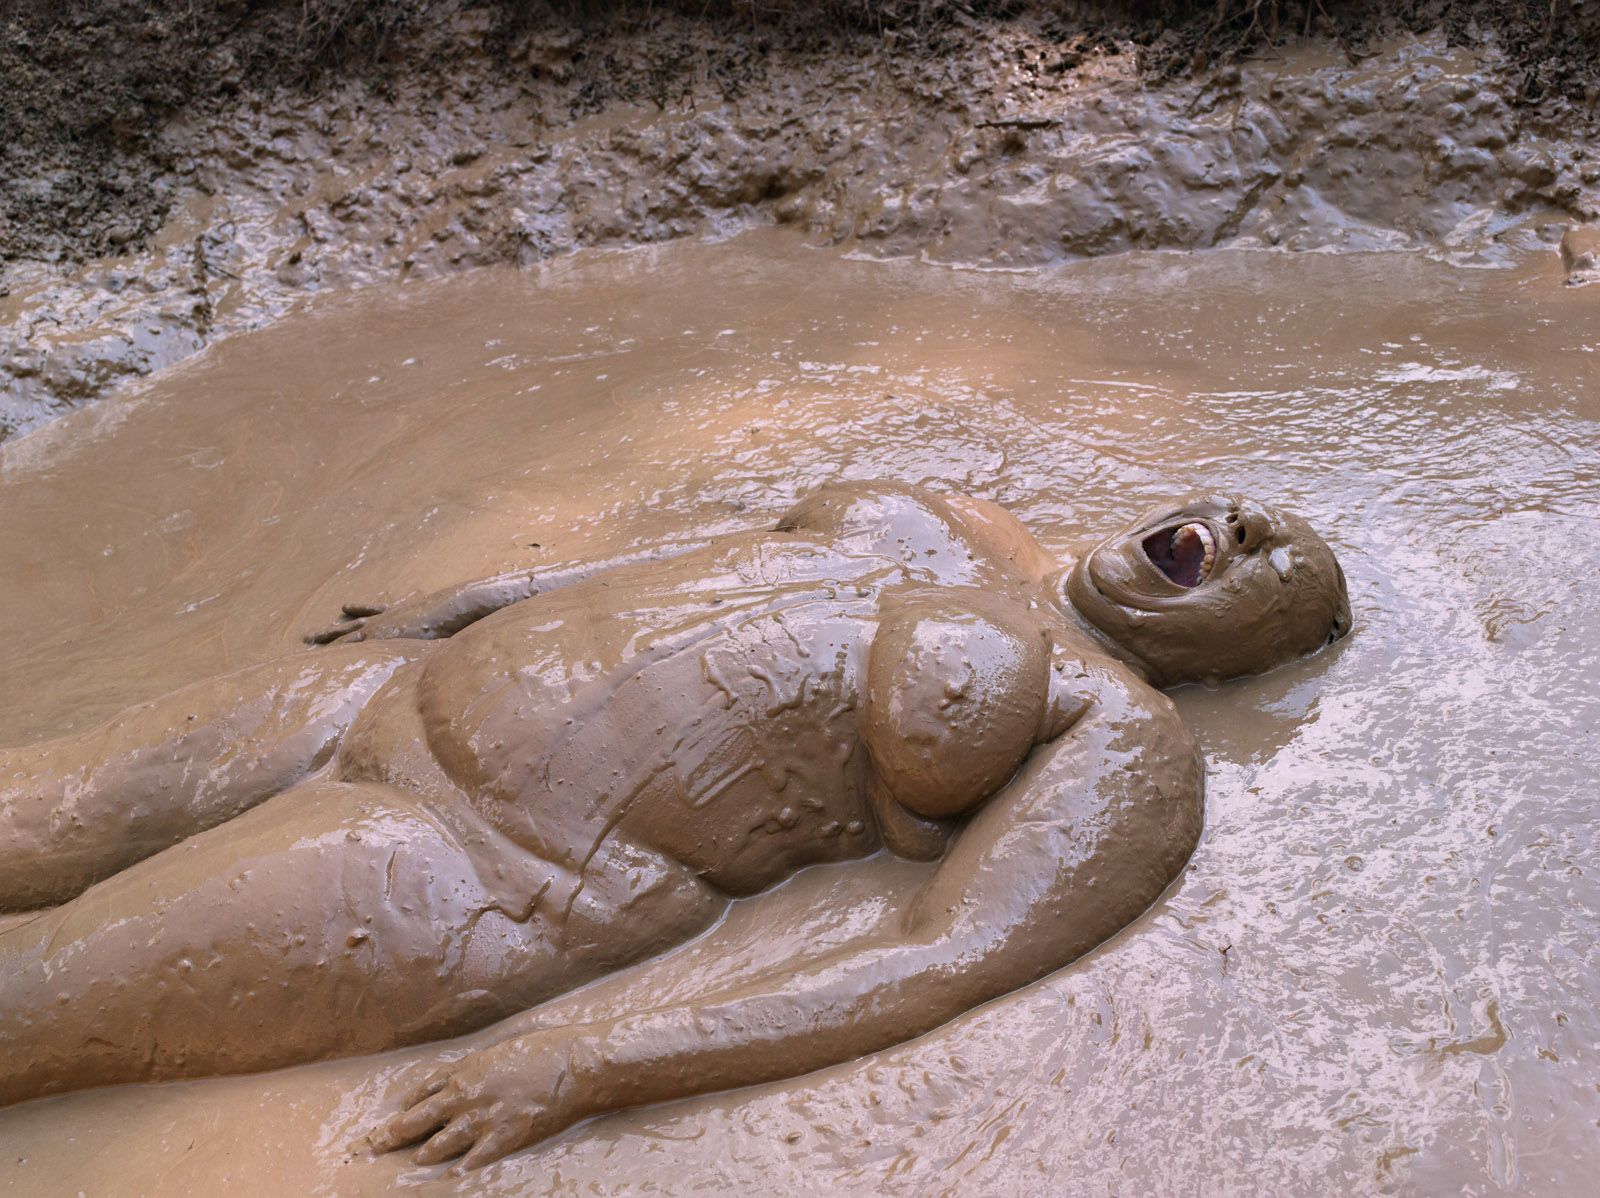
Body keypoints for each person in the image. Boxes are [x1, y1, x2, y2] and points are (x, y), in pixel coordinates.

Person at [0, 482, 1349, 1169]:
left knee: (33, 1000)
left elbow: (943, 961)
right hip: (369, 697)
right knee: (24, 808)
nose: (1239, 525)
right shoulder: (949, 517)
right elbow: (701, 558)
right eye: (1243, 509)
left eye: (1274, 560)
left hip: (466, 868)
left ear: (1254, 648)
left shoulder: (1120, 742)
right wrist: (470, 600)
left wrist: (590, 1064)